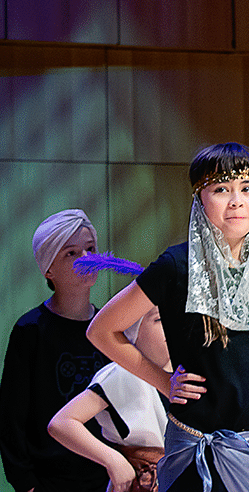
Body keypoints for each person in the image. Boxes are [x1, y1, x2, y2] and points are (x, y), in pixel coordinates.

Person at [86, 143, 249, 492]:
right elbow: (102, 330)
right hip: (193, 444)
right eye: (221, 189)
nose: (236, 200)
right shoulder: (175, 267)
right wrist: (163, 381)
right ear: (200, 198)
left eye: (247, 188)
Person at [0, 209, 110, 492]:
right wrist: (26, 484)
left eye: (90, 249)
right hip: (50, 481)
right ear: (48, 269)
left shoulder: (110, 327)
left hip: (109, 477)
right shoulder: (30, 331)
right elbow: (12, 419)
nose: (87, 259)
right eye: (71, 253)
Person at [49, 306, 169, 492]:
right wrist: (113, 460)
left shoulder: (184, 369)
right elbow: (61, 423)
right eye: (159, 320)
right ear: (131, 329)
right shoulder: (121, 373)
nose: (171, 325)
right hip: (143, 482)